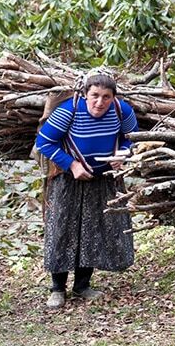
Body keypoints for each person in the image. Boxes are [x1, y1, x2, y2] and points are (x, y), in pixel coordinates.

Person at [34, 70, 139, 308]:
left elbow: (131, 138)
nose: (99, 102)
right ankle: (57, 288)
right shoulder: (68, 111)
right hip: (67, 180)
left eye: (106, 97)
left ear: (114, 98)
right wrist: (71, 164)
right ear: (84, 94)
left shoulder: (122, 111)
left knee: (92, 230)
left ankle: (82, 285)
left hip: (102, 180)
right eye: (94, 96)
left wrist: (124, 153)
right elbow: (44, 142)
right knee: (62, 230)